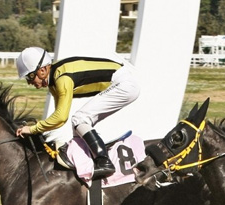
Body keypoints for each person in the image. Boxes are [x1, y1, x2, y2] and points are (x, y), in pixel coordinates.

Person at [15, 47, 141, 180]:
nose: (29, 82)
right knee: (79, 126)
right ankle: (92, 159)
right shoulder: (54, 82)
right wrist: (44, 134)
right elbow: (60, 119)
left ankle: (104, 162)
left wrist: (33, 129)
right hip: (123, 83)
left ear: (42, 70)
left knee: (80, 118)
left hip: (125, 85)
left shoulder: (62, 79)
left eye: (30, 76)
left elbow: (61, 117)